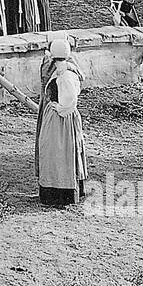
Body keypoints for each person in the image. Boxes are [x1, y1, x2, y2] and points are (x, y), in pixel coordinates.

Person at [35, 35, 87, 204]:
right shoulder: (60, 71)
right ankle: (52, 189)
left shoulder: (66, 74)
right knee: (52, 151)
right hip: (56, 118)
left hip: (61, 121)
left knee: (59, 152)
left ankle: (60, 192)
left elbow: (71, 99)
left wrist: (60, 108)